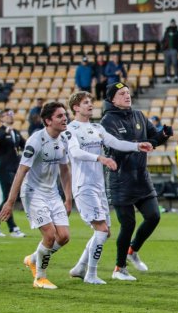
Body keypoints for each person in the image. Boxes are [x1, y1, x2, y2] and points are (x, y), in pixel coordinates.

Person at [63, 92, 152, 284]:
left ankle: (79, 267)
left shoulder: (96, 127)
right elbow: (75, 152)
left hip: (98, 186)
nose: (90, 105)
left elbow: (116, 143)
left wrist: (138, 146)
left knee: (104, 232)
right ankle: (91, 274)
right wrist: (100, 158)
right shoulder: (70, 129)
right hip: (84, 186)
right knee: (102, 231)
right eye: (85, 102)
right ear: (76, 108)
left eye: (91, 102)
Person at [0, 101, 74, 290]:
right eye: (59, 116)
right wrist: (10, 202)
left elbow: (65, 170)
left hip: (52, 193)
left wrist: (68, 198)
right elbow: (21, 172)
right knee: (49, 236)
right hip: (33, 192)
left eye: (65, 114)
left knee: (63, 237)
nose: (65, 118)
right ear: (48, 121)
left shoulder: (64, 139)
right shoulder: (36, 141)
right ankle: (40, 277)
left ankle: (33, 259)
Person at [101, 82, 171, 280]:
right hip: (121, 180)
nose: (127, 96)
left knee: (154, 216)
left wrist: (163, 135)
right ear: (112, 99)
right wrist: (137, 145)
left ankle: (132, 251)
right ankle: (119, 268)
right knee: (128, 224)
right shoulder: (108, 121)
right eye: (122, 93)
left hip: (141, 178)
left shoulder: (138, 115)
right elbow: (115, 147)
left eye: (128, 93)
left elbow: (152, 139)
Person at [0, 108, 27, 238]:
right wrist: (4, 133)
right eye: (7, 115)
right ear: (1, 118)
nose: (10, 116)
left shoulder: (15, 132)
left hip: (14, 169)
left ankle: (5, 227)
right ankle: (0, 226)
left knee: (10, 198)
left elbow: (25, 145)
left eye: (11, 114)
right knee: (8, 198)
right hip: (4, 169)